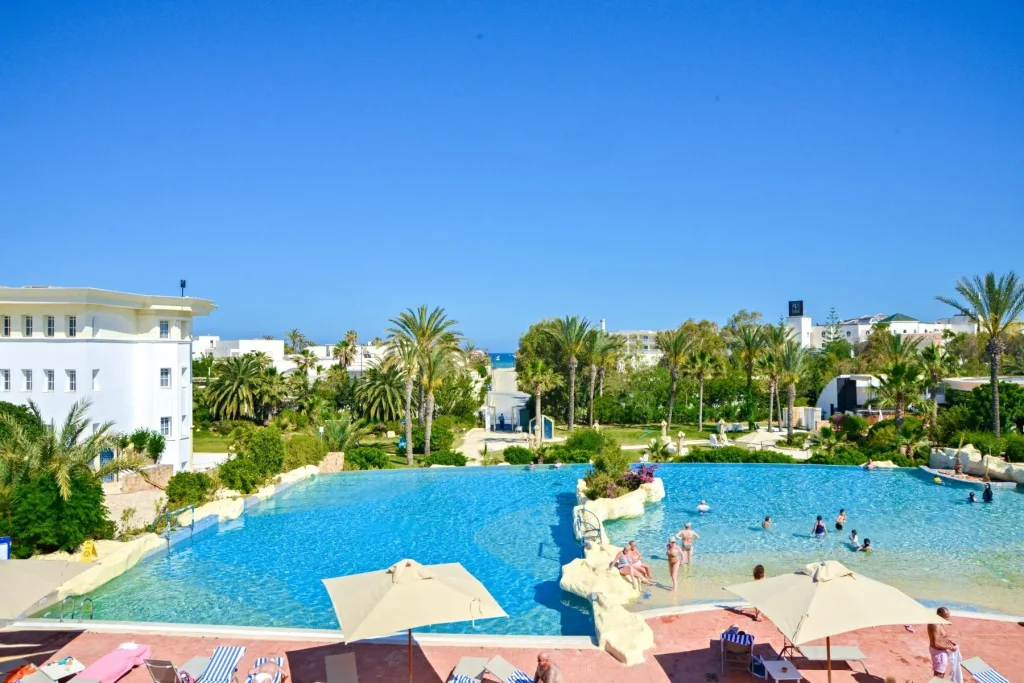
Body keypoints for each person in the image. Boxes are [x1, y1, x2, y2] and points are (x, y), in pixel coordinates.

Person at [928, 607, 957, 679]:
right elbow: (936, 644)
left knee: (940, 675)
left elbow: (940, 637)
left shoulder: (938, 623)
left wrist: (949, 642)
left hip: (940, 653)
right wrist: (950, 647)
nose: (947, 619)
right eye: (946, 617)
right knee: (939, 677)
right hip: (939, 654)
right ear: (939, 614)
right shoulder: (936, 625)